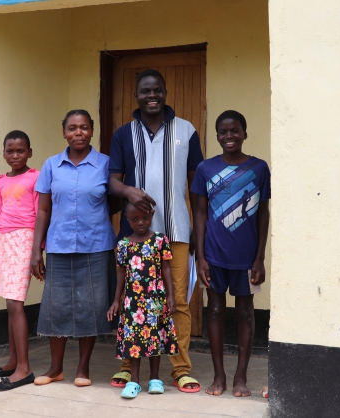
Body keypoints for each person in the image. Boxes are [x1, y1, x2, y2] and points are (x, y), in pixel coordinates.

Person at [108, 69, 205, 393]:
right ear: (136, 96)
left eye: (157, 90)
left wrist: (195, 232)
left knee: (177, 302)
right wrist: (129, 192)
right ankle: (127, 366)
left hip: (175, 232)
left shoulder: (186, 130)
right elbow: (112, 180)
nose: (152, 96)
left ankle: (181, 369)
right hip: (134, 238)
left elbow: (196, 187)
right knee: (131, 302)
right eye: (146, 91)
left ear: (165, 93)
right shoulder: (124, 134)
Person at [30, 109, 116, 387]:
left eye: (84, 127)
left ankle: (83, 369)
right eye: (72, 128)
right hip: (59, 245)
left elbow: (115, 202)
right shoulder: (51, 165)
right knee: (58, 308)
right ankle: (55, 368)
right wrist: (36, 251)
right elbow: (43, 210)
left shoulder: (106, 164)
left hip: (96, 246)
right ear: (64, 132)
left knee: (90, 308)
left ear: (92, 130)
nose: (78, 133)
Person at [190, 110, 270, 397]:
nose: (229, 136)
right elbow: (199, 213)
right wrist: (200, 257)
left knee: (246, 314)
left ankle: (240, 378)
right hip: (213, 255)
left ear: (245, 133)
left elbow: (263, 212)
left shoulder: (258, 168)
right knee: (214, 310)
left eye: (235, 130)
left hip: (247, 258)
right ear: (217, 136)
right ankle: (219, 377)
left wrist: (260, 257)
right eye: (223, 132)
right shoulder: (205, 169)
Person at [0, 130, 39, 391]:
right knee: (9, 303)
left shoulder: (35, 178)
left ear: (30, 152)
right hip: (5, 242)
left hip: (25, 240)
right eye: (10, 150)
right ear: (4, 153)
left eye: (21, 150)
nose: (15, 155)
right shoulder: (0, 182)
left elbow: (41, 216)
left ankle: (24, 369)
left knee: (15, 303)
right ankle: (13, 360)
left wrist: (39, 251)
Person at [107, 202, 179, 398]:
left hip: (155, 299)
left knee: (154, 337)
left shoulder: (159, 240)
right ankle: (134, 381)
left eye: (145, 218)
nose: (141, 222)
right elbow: (121, 273)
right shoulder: (123, 244)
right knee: (134, 341)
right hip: (132, 302)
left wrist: (171, 296)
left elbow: (166, 269)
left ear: (152, 216)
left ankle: (155, 379)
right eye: (135, 219)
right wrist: (116, 300)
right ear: (127, 219)